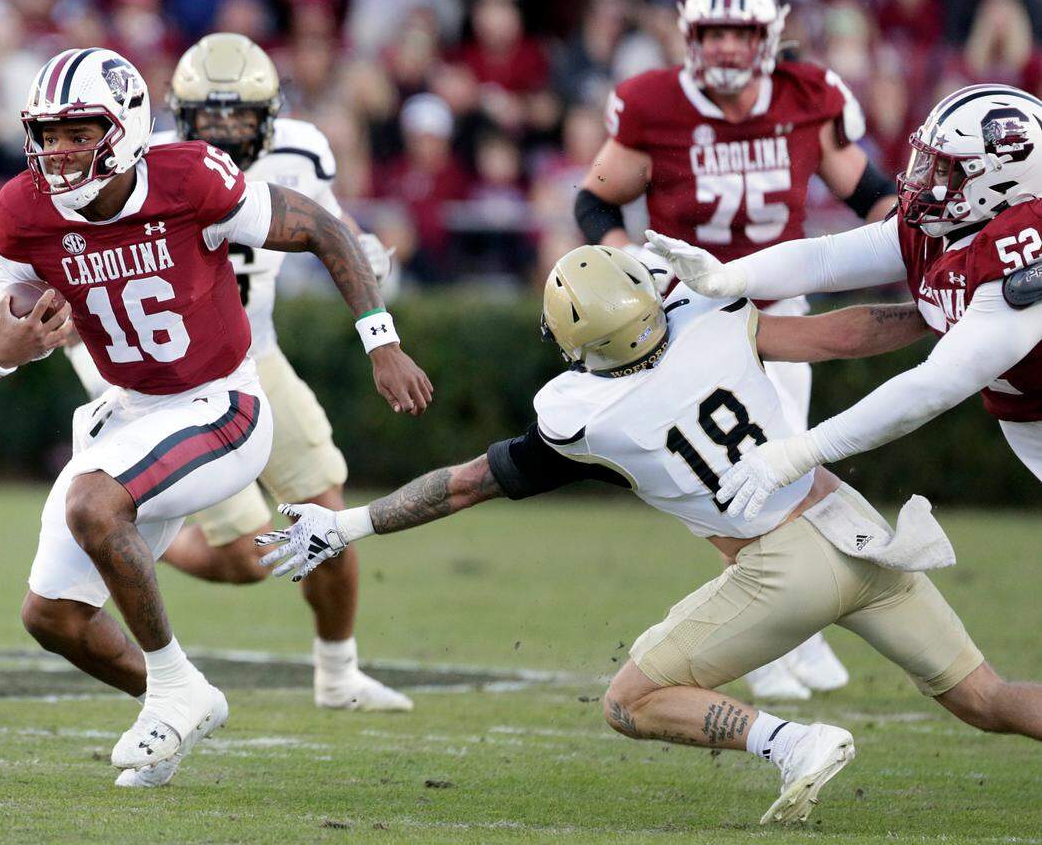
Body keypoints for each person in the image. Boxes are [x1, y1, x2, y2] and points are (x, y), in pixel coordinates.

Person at [256, 245, 1042, 825]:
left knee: (630, 701)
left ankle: (791, 743)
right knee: (988, 698)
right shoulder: (712, 319)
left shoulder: (585, 416)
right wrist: (964, 313)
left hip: (781, 570)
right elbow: (850, 333)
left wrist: (350, 521)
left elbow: (466, 482)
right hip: (858, 528)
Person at [0, 47, 432, 785]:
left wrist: (383, 340)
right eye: (47, 134)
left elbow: (323, 229)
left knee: (93, 501)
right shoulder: (22, 207)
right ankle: (183, 699)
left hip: (224, 401)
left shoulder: (187, 177)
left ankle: (184, 683)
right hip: (130, 409)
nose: (60, 150)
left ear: (124, 126)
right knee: (49, 617)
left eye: (78, 131)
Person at [574, 0, 898, 700]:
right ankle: (776, 642)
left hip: (780, 307)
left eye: (738, 33)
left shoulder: (810, 94)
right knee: (737, 483)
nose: (723, 47)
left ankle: (800, 631)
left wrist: (910, 244)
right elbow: (596, 199)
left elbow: (870, 192)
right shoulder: (652, 101)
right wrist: (628, 259)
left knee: (789, 472)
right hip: (691, 319)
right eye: (712, 32)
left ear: (769, 36)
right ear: (689, 36)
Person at [648, 83, 1042, 519]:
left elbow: (935, 385)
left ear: (1006, 182)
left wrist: (802, 451)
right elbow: (827, 258)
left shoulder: (1022, 251)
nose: (926, 180)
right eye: (929, 162)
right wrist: (730, 276)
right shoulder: (940, 230)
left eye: (948, 170)